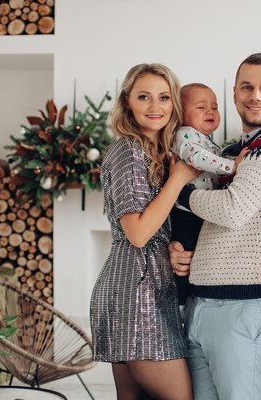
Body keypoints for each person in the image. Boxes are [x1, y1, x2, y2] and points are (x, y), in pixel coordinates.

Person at [169, 52, 261, 400]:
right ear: (235, 94)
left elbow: (232, 209)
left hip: (242, 308)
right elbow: (209, 223)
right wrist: (178, 248)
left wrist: (181, 193)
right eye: (246, 87)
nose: (255, 95)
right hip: (203, 304)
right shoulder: (230, 151)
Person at [90, 63, 198, 400]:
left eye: (164, 97)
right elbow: (137, 233)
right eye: (144, 97)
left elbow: (154, 227)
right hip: (136, 293)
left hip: (137, 286)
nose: (155, 107)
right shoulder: (128, 150)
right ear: (128, 102)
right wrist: (179, 178)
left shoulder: (152, 153)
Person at [170, 83, 246, 305]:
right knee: (185, 258)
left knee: (197, 258)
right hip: (186, 213)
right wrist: (232, 166)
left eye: (214, 107)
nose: (211, 111)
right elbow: (197, 158)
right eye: (201, 107)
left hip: (200, 210)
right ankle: (180, 304)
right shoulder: (185, 135)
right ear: (181, 113)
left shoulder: (206, 141)